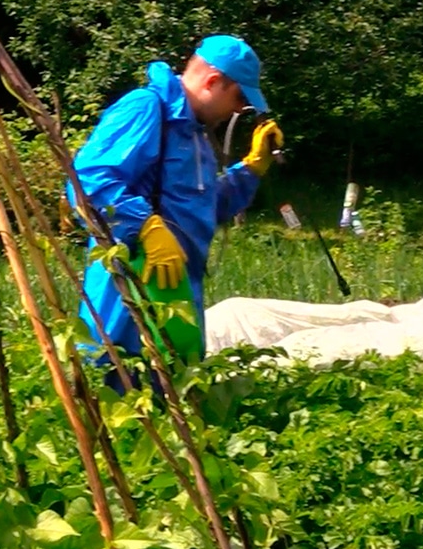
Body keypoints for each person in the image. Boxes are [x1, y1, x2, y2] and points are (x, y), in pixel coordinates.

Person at [66, 34, 283, 367]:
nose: (240, 109)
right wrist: (145, 227)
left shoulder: (194, 133)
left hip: (175, 291)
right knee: (116, 386)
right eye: (240, 97)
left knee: (175, 395)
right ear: (213, 81)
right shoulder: (146, 108)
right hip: (128, 287)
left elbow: (204, 208)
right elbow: (88, 181)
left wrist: (252, 168)